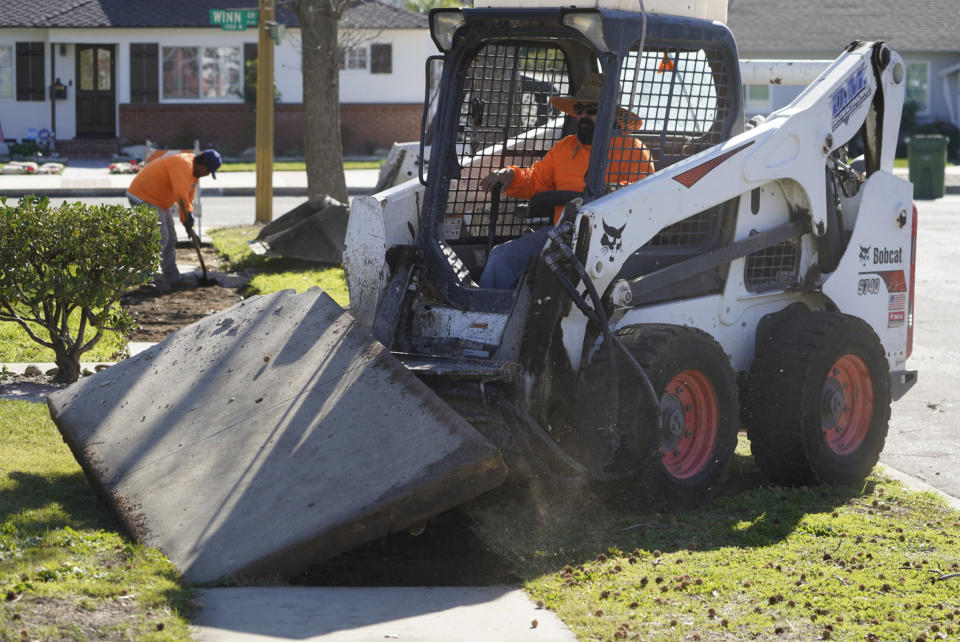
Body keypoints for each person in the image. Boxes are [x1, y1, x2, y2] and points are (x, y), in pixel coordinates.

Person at [477, 73, 654, 289]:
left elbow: (642, 197)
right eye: (579, 110)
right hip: (561, 235)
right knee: (502, 257)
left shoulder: (633, 150)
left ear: (612, 113)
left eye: (593, 110)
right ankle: (487, 319)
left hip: (608, 244)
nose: (583, 116)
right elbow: (536, 179)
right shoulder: (564, 148)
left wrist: (608, 192)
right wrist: (511, 175)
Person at [126, 149, 222, 288]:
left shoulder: (194, 174)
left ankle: (173, 278)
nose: (206, 175)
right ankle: (147, 279)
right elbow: (180, 195)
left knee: (171, 237)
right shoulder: (184, 165)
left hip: (158, 201)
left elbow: (188, 200)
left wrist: (188, 222)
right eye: (208, 171)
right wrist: (186, 217)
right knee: (160, 237)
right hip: (142, 196)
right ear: (203, 165)